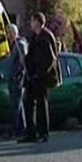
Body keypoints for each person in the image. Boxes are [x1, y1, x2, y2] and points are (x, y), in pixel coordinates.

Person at [21, 12, 60, 143]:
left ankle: (43, 132)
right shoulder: (34, 37)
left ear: (37, 22)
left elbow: (50, 59)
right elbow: (31, 56)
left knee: (41, 104)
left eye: (32, 21)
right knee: (27, 102)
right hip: (32, 76)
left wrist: (40, 73)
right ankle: (30, 132)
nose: (30, 24)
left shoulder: (46, 37)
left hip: (41, 77)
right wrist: (25, 60)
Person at [6, 24, 28, 139]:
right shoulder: (13, 45)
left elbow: (22, 61)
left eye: (8, 32)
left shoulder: (20, 44)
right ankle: (21, 128)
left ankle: (14, 130)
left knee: (16, 105)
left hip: (18, 80)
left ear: (14, 33)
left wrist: (18, 75)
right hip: (13, 79)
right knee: (17, 105)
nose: (7, 35)